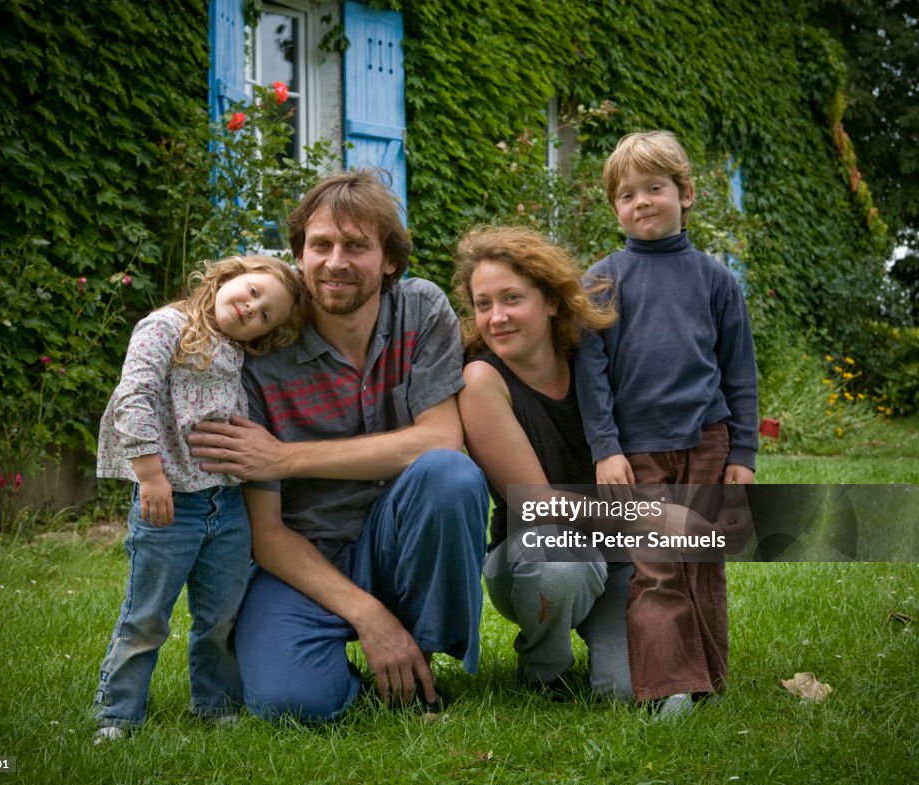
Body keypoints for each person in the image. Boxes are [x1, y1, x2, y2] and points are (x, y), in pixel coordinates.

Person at [187, 170, 488, 723]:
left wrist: (285, 457)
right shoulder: (259, 346)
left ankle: (417, 658)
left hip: (398, 539)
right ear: (299, 254)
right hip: (305, 554)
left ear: (390, 260)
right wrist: (369, 615)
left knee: (450, 477)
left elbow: (442, 440)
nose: (335, 261)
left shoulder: (421, 310)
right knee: (291, 704)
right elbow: (266, 532)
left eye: (357, 246)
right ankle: (360, 660)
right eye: (320, 244)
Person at [577, 130, 759, 718]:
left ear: (686, 195)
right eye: (626, 195)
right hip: (640, 450)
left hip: (707, 441)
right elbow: (593, 375)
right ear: (615, 208)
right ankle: (668, 687)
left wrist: (744, 454)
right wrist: (606, 448)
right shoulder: (602, 280)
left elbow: (740, 373)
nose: (641, 202)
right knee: (656, 569)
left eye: (654, 188)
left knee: (701, 562)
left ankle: (708, 676)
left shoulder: (716, 281)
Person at [93, 255, 306, 741]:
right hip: (170, 505)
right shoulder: (166, 326)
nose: (252, 309)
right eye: (252, 292)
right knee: (145, 616)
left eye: (266, 314)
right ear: (229, 276)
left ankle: (216, 705)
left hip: (226, 505)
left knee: (221, 617)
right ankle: (118, 714)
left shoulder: (236, 348)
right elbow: (135, 396)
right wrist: (149, 473)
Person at [454, 224, 636, 701]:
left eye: (512, 298)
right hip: (533, 555)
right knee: (556, 562)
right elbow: (538, 505)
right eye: (483, 304)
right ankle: (544, 669)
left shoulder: (593, 362)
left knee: (625, 691)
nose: (496, 317)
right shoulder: (481, 380)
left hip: (617, 556)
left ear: (552, 301)